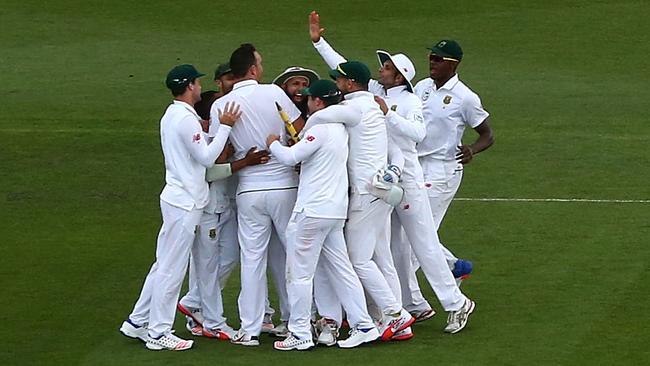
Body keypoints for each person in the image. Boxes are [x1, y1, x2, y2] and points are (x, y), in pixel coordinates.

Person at [310, 11, 477, 335]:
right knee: (389, 249)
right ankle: (404, 308)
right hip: (382, 183)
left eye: (386, 68)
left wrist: (389, 116)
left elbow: (418, 134)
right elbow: (346, 67)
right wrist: (319, 42)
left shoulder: (409, 101)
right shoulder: (376, 91)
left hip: (409, 179)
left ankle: (457, 304)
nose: (380, 71)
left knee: (424, 245)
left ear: (399, 76)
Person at [119, 64, 239, 351]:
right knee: (171, 270)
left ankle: (137, 322)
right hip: (185, 201)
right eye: (197, 83)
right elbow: (208, 158)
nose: (200, 86)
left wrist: (211, 134)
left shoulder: (173, 115)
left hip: (178, 198)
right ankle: (158, 333)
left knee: (163, 265)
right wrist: (225, 128)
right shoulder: (185, 119)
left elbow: (194, 151)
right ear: (189, 86)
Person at [266, 80, 380, 351]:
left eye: (309, 99)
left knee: (300, 275)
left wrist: (273, 144)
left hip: (313, 212)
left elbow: (290, 157)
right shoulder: (340, 128)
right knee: (342, 270)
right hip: (334, 212)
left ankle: (300, 333)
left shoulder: (319, 128)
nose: (305, 102)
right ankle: (363, 325)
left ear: (318, 102)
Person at [211, 43, 305, 346]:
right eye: (260, 64)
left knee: (252, 259)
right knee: (293, 257)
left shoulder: (220, 106)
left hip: (249, 191)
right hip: (285, 187)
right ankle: (296, 322)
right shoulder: (274, 93)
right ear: (253, 69)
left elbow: (220, 154)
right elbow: (299, 132)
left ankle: (250, 329)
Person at [176, 90, 270, 341]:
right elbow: (209, 172)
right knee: (207, 266)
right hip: (208, 210)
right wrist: (245, 162)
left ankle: (193, 301)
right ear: (206, 120)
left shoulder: (211, 137)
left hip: (222, 208)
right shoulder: (201, 138)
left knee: (229, 256)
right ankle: (213, 321)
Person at [414, 40, 494, 284]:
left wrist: (472, 149)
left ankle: (414, 302)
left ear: (454, 64)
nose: (432, 62)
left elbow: (487, 135)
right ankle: (454, 266)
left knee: (417, 234)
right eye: (431, 57)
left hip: (442, 170)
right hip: (416, 165)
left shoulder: (465, 98)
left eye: (438, 59)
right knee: (414, 231)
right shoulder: (422, 87)